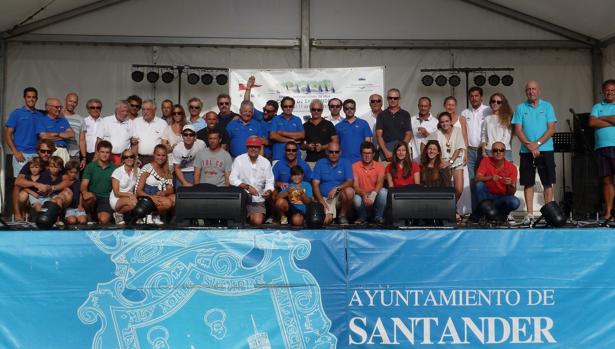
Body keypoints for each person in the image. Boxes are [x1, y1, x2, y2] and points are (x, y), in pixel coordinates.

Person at [512, 80, 557, 224]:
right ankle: (530, 214)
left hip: (546, 149)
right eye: (529, 89)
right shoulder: (520, 108)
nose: (531, 91)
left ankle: (549, 212)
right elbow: (518, 130)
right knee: (528, 182)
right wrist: (529, 145)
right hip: (526, 151)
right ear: (526, 92)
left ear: (539, 91)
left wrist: (537, 144)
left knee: (548, 182)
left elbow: (551, 129)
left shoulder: (548, 106)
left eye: (534, 89)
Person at [229, 136, 274, 226]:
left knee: (257, 221)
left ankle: (250, 216)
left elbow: (270, 181)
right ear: (247, 148)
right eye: (251, 146)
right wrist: (248, 187)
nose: (253, 149)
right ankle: (246, 216)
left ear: (260, 148)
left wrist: (268, 191)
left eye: (256, 147)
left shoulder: (265, 162)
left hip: (258, 198)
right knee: (236, 223)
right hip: (241, 199)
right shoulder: (239, 160)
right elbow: (232, 179)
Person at [588, 79, 615, 221]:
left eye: (612, 90)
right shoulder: (597, 106)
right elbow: (592, 122)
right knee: (607, 181)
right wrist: (611, 119)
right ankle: (609, 212)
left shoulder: (600, 110)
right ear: (603, 91)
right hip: (601, 147)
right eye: (607, 90)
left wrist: (602, 118)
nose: (609, 92)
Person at [474, 142, 520, 220]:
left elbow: (511, 193)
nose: (498, 152)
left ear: (505, 152)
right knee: (479, 185)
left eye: (501, 150)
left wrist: (510, 184)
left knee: (515, 202)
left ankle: (501, 215)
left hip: (501, 198)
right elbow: (477, 178)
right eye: (495, 150)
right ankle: (484, 212)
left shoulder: (512, 167)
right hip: (487, 196)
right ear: (492, 152)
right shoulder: (486, 160)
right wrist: (490, 177)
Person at [427, 112, 465, 204]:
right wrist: (435, 160)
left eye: (447, 121)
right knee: (446, 190)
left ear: (451, 121)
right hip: (442, 162)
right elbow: (425, 143)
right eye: (442, 122)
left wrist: (450, 161)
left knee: (459, 189)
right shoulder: (436, 133)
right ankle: (448, 210)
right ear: (439, 123)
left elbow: (458, 148)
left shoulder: (458, 130)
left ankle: (452, 207)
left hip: (456, 160)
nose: (445, 124)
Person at [312, 143, 354, 225]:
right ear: (327, 152)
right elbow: (315, 184)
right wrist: (321, 201)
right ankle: (332, 218)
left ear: (340, 152)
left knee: (349, 191)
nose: (334, 154)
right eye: (331, 152)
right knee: (325, 221)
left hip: (339, 197)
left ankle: (342, 215)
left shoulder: (346, 162)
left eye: (336, 152)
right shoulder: (320, 163)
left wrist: (337, 188)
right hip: (325, 198)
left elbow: (350, 181)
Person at [12, 140, 56, 220]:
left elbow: (66, 180)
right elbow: (18, 181)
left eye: (48, 151)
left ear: (52, 152)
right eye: (43, 151)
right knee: (18, 188)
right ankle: (19, 213)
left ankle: (58, 217)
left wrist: (50, 188)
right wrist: (36, 184)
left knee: (65, 193)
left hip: (48, 193)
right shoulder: (32, 163)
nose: (46, 154)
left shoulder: (55, 163)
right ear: (38, 151)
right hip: (32, 194)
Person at [5, 87, 44, 176]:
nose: (31, 99)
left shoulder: (40, 115)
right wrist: (15, 152)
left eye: (33, 97)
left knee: (34, 183)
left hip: (35, 155)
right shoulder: (16, 114)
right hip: (21, 154)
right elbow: (7, 134)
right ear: (24, 98)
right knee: (20, 183)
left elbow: (42, 135)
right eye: (29, 97)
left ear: (37, 99)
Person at [273, 142, 313, 224]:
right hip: (289, 206)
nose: (291, 152)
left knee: (297, 221)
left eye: (293, 150)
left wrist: (301, 192)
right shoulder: (279, 165)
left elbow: (309, 201)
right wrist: (287, 191)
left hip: (302, 208)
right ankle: (282, 217)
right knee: (279, 201)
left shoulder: (305, 167)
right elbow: (277, 195)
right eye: (288, 150)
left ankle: (299, 218)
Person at [135, 144, 176, 225]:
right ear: (154, 155)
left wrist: (164, 192)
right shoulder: (147, 168)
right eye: (158, 155)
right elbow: (138, 191)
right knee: (168, 203)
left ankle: (155, 215)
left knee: (175, 198)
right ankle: (147, 214)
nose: (161, 157)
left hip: (159, 196)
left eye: (163, 155)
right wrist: (151, 198)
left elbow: (170, 189)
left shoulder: (167, 169)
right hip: (145, 198)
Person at [81, 140, 117, 224]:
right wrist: (85, 192)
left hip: (106, 198)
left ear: (110, 153)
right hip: (93, 197)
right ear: (97, 152)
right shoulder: (90, 166)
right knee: (88, 197)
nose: (105, 154)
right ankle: (89, 215)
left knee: (104, 220)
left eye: (107, 152)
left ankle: (99, 216)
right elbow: (84, 184)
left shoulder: (114, 168)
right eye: (102, 152)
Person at [352, 142, 387, 224]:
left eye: (369, 153)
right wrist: (363, 194)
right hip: (361, 194)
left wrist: (373, 195)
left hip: (375, 195)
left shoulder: (380, 166)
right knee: (355, 199)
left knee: (384, 192)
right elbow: (355, 186)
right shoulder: (354, 166)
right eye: (364, 153)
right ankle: (362, 217)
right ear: (361, 154)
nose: (367, 156)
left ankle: (379, 217)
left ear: (373, 154)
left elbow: (380, 183)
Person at [375, 88, 413, 161]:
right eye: (390, 98)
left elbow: (408, 134)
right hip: (386, 154)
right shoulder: (381, 115)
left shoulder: (405, 114)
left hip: (402, 153)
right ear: (387, 99)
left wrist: (400, 151)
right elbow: (379, 135)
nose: (393, 100)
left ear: (399, 99)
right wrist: (386, 152)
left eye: (395, 98)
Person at [36, 98, 75, 163]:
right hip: (49, 151)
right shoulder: (41, 120)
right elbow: (44, 137)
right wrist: (63, 136)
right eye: (56, 107)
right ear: (48, 108)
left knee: (63, 172)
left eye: (60, 107)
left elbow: (71, 134)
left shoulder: (63, 120)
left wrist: (58, 134)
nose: (59, 109)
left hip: (63, 151)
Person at [96, 100, 134, 165]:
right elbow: (99, 140)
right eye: (123, 111)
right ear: (116, 110)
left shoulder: (131, 123)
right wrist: (97, 156)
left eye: (127, 111)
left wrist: (134, 158)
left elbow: (134, 143)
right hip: (107, 157)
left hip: (124, 158)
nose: (125, 113)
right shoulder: (105, 121)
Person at [336, 99, 373, 164]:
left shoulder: (363, 123)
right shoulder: (338, 126)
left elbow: (368, 143)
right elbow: (336, 144)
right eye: (347, 108)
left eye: (352, 108)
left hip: (361, 160)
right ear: (344, 110)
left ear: (355, 109)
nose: (349, 110)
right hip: (343, 160)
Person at [131, 100, 167, 164]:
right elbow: (134, 143)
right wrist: (135, 158)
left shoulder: (162, 123)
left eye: (148, 109)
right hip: (140, 159)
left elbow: (164, 144)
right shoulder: (136, 122)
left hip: (157, 159)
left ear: (154, 110)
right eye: (143, 109)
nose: (145, 112)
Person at [302, 99, 338, 163]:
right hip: (310, 161)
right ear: (310, 110)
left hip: (327, 162)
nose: (316, 111)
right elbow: (300, 145)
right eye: (314, 109)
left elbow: (335, 142)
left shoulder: (328, 124)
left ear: (322, 111)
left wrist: (322, 147)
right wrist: (308, 146)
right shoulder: (305, 126)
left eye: (319, 110)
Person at [270, 96, 304, 161]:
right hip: (279, 157)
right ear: (282, 107)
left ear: (293, 107)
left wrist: (282, 133)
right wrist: (290, 140)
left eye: (290, 106)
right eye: (285, 106)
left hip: (296, 159)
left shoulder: (297, 119)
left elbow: (301, 135)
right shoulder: (276, 119)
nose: (288, 108)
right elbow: (272, 136)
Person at [109, 149, 139, 225]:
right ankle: (118, 214)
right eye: (126, 157)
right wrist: (130, 195)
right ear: (123, 160)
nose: (129, 159)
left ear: (134, 158)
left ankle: (119, 214)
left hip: (131, 197)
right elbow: (116, 193)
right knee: (133, 203)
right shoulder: (117, 171)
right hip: (117, 198)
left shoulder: (138, 170)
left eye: (131, 156)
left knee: (135, 202)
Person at [481, 93, 514, 160]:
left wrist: (499, 150)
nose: (495, 103)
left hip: (504, 151)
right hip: (489, 151)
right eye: (493, 101)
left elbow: (507, 137)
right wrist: (483, 151)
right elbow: (484, 136)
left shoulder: (507, 118)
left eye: (498, 102)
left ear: (503, 104)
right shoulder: (487, 118)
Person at [79, 98, 103, 167]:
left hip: (99, 154)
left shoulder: (104, 122)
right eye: (92, 107)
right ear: (88, 109)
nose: (95, 109)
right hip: (85, 154)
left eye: (98, 107)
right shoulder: (83, 121)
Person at [63, 160, 88, 225]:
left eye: (75, 173)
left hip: (77, 207)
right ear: (67, 171)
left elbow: (80, 194)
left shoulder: (78, 182)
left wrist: (80, 205)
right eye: (71, 172)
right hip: (68, 208)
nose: (73, 174)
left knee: (83, 221)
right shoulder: (63, 182)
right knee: (72, 221)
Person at [62, 93, 83, 161]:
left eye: (74, 102)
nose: (72, 104)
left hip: (74, 155)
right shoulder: (59, 116)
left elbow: (82, 140)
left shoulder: (80, 119)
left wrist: (84, 157)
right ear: (65, 101)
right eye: (70, 101)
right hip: (59, 153)